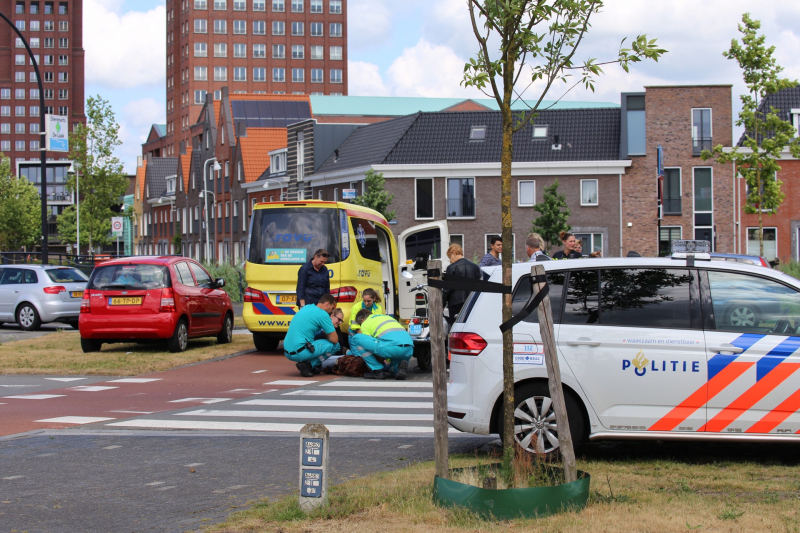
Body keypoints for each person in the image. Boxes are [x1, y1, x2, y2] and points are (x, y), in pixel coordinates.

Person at [283, 293, 339, 377]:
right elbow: (335, 339)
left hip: (286, 351)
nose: (332, 311)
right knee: (335, 346)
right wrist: (326, 332)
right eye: (332, 308)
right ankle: (309, 365)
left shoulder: (307, 307)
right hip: (299, 352)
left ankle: (310, 365)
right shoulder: (323, 314)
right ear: (327, 304)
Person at [350, 309, 414, 380]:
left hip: (392, 348)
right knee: (393, 369)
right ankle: (397, 368)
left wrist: (380, 363)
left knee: (357, 338)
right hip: (409, 349)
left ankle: (377, 371)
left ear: (362, 320)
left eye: (360, 324)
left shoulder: (365, 323)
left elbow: (370, 348)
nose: (361, 326)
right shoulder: (387, 317)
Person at [443, 243, 482, 327]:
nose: (450, 260)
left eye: (450, 257)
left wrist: (442, 304)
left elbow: (447, 288)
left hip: (455, 303)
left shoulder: (451, 267)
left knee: (455, 326)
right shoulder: (475, 267)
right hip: (471, 301)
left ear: (453, 253)